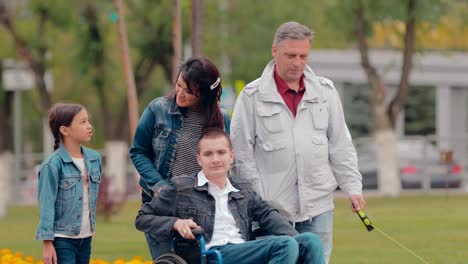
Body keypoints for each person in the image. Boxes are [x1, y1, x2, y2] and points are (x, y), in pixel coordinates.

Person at [230, 21, 366, 263]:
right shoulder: (251, 97)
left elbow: (340, 145)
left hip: (319, 208)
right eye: (290, 55)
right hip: (273, 212)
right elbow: (241, 156)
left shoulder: (325, 92)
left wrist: (353, 188)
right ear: (275, 51)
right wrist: (260, 203)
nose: (298, 63)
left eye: (303, 56)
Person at [135, 128, 325, 264]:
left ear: (231, 156)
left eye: (221, 152)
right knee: (284, 246)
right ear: (199, 159)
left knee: (310, 241)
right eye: (208, 154)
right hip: (212, 254)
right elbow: (143, 219)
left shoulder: (243, 189)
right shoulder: (181, 187)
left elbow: (269, 216)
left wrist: (297, 242)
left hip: (245, 250)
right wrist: (176, 223)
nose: (216, 159)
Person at [129, 57, 231, 259]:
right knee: (168, 261)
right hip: (163, 205)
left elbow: (221, 162)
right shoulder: (158, 109)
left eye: (189, 92)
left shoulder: (220, 119)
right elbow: (138, 151)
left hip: (202, 207)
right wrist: (159, 186)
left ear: (205, 95)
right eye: (178, 85)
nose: (180, 94)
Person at [35, 103, 102, 264]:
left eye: (88, 121)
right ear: (65, 130)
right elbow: (46, 205)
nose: (89, 126)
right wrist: (47, 244)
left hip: (86, 237)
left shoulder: (94, 158)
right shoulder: (52, 165)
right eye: (83, 122)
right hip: (62, 239)